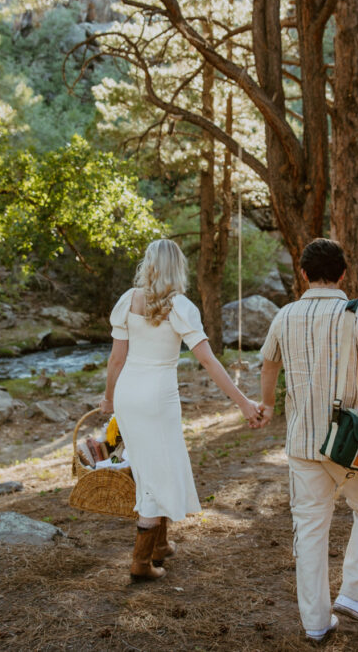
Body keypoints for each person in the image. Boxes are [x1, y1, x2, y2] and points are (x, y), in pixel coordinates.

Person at [254, 238, 358, 642]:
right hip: (350, 442)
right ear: (344, 273)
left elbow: (269, 363)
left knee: (309, 531)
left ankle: (316, 626)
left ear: (303, 274)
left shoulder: (284, 315)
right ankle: (353, 595)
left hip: (302, 441)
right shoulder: (354, 314)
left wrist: (268, 406)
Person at [100, 239, 262, 582]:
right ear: (178, 268)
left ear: (148, 265)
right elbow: (208, 360)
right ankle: (141, 563)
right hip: (158, 398)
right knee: (155, 472)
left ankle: (159, 546)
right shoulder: (181, 307)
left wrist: (109, 398)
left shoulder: (128, 301)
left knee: (149, 467)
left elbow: (116, 359)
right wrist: (244, 402)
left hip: (130, 393)